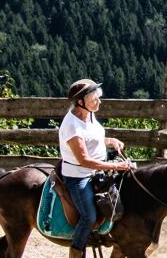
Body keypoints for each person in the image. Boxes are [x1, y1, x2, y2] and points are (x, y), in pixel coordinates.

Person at [59, 78, 134, 258]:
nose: (99, 102)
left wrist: (110, 141)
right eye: (94, 100)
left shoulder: (88, 114)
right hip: (79, 176)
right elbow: (84, 159)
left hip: (97, 170)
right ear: (80, 102)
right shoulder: (71, 126)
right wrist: (116, 166)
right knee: (89, 217)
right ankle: (76, 251)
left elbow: (92, 139)